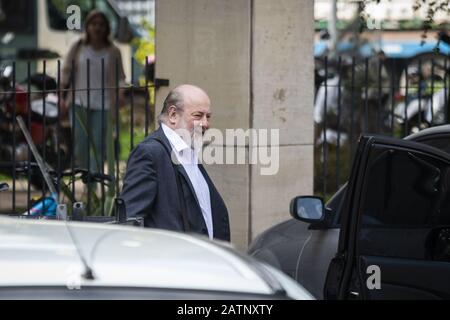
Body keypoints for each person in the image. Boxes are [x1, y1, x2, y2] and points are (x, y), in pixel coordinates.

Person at [120, 85, 230, 241]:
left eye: (208, 116)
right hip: (170, 262)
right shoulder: (150, 153)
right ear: (173, 115)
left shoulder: (188, 151)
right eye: (198, 116)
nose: (206, 124)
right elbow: (130, 220)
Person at [61, 10, 125, 173]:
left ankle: (94, 183)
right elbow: (66, 71)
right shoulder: (78, 47)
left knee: (99, 145)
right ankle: (84, 176)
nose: (97, 28)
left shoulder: (113, 51)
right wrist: (62, 95)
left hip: (103, 105)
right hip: (78, 102)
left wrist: (120, 95)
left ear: (107, 29)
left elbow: (120, 77)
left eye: (101, 25)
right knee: (80, 145)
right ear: (87, 26)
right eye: (94, 24)